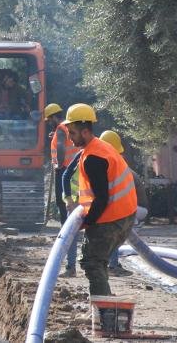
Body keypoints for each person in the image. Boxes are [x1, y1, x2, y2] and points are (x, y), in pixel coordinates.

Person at [63, 103, 137, 296]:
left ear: (86, 132)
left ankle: (103, 310)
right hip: (124, 215)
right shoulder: (98, 148)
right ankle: (105, 305)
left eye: (72, 133)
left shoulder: (94, 158)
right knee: (98, 260)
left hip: (111, 218)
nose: (70, 138)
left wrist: (87, 222)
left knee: (92, 261)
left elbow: (102, 198)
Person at [99, 130, 148, 277]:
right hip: (134, 207)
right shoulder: (117, 166)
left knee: (113, 231)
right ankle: (112, 264)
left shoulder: (116, 169)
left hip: (138, 209)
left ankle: (112, 266)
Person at [46, 103, 79, 224]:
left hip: (64, 168)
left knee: (62, 200)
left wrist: (59, 165)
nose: (50, 123)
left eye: (49, 120)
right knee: (71, 198)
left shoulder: (60, 129)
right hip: (74, 168)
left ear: (54, 117)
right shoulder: (67, 126)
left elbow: (60, 146)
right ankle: (72, 225)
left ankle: (65, 226)